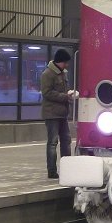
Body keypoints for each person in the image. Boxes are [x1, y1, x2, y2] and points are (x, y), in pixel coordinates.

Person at [41, 49, 77, 179]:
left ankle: (67, 169)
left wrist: (70, 95)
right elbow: (46, 93)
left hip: (62, 113)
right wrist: (64, 96)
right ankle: (52, 171)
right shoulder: (48, 74)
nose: (67, 65)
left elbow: (63, 90)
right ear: (60, 61)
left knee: (66, 140)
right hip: (51, 114)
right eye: (65, 62)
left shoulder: (63, 73)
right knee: (52, 142)